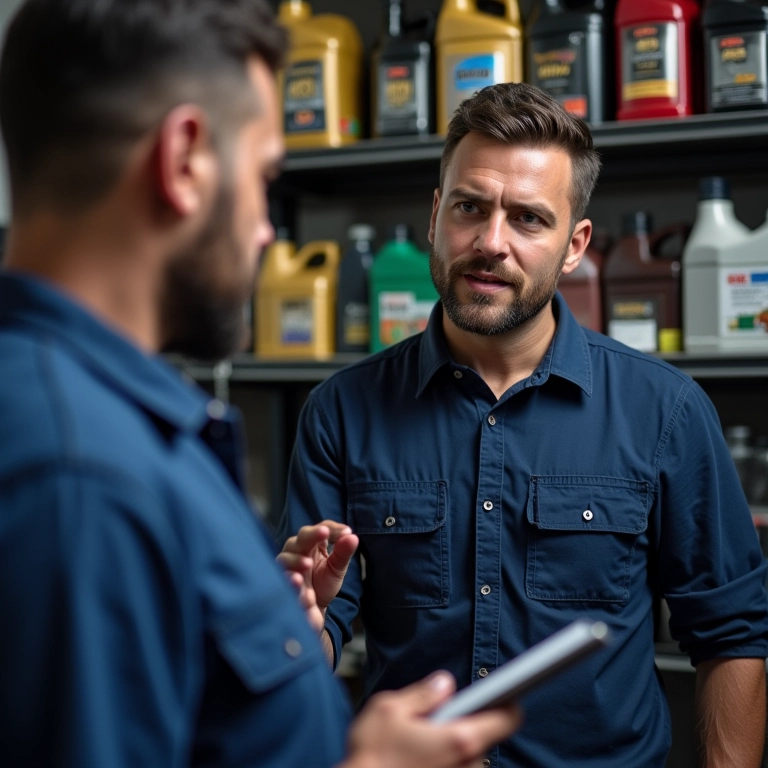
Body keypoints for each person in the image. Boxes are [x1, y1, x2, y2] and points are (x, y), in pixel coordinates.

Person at [0, 1, 522, 766]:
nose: (267, 231)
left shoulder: (90, 420)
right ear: (184, 161)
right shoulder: (84, 478)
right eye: (264, 178)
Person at [278, 82, 768, 767]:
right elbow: (320, 627)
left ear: (575, 245)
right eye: (470, 208)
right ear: (434, 216)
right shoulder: (340, 409)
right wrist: (297, 632)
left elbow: (732, 630)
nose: (491, 242)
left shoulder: (667, 410)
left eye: (530, 219)